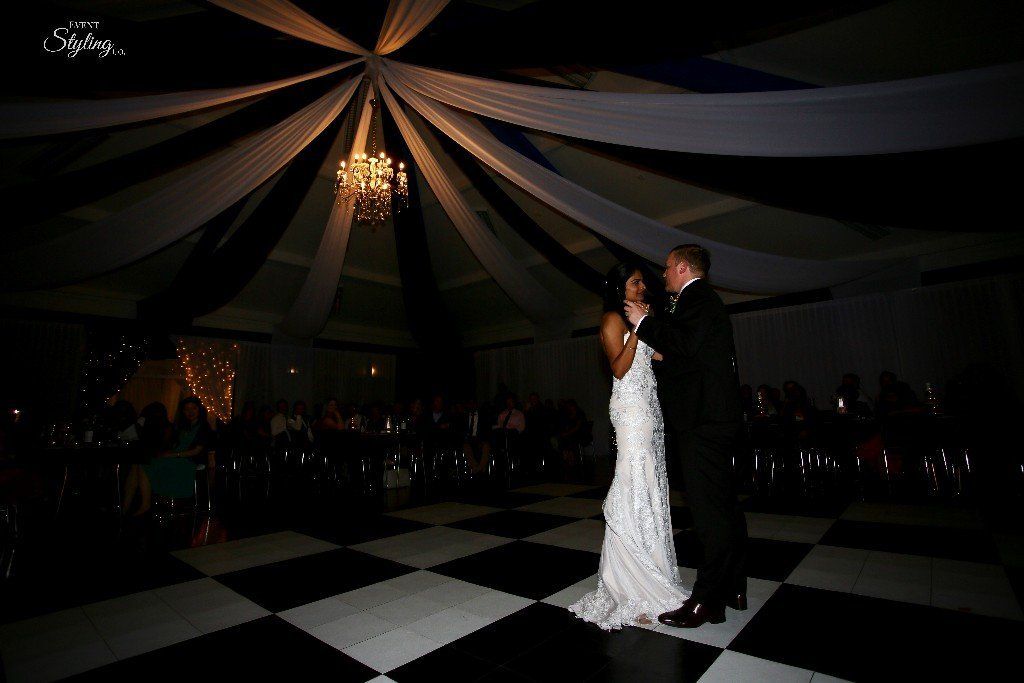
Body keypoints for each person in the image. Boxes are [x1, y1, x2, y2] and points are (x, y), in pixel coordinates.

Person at [625, 244, 748, 629]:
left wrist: (643, 322)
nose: (662, 275)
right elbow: (694, 353)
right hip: (714, 417)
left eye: (665, 268)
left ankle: (707, 600)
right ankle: (733, 586)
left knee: (708, 513)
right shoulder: (703, 301)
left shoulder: (698, 297)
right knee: (725, 505)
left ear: (681, 267)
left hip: (704, 420)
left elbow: (684, 342)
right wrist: (666, 358)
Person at [569, 262, 688, 631]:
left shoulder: (640, 316)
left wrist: (655, 327)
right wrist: (637, 328)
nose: (642, 287)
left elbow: (660, 358)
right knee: (633, 482)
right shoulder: (611, 320)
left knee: (650, 485)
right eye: (635, 282)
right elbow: (619, 368)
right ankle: (629, 580)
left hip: (649, 406)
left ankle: (651, 568)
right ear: (621, 288)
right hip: (629, 409)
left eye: (642, 282)